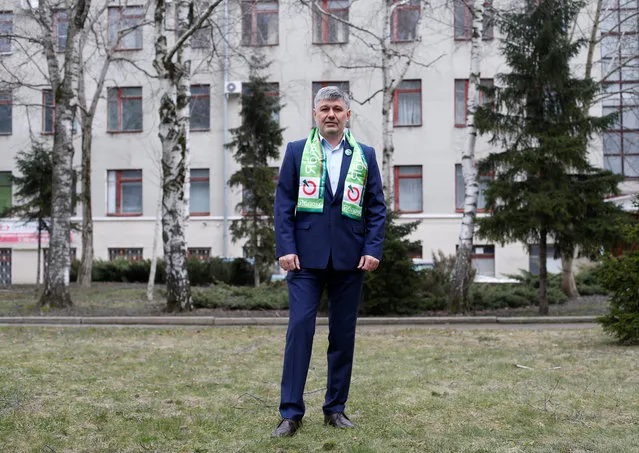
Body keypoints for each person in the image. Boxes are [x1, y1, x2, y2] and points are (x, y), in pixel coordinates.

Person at [272, 86, 386, 437]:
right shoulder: (295, 152)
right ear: (315, 114)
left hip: (351, 260)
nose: (331, 114)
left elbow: (376, 207)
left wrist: (373, 248)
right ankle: (290, 414)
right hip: (304, 260)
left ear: (347, 115)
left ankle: (335, 409)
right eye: (325, 109)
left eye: (337, 108)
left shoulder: (364, 154)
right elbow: (283, 204)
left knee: (342, 335)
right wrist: (285, 248)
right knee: (300, 329)